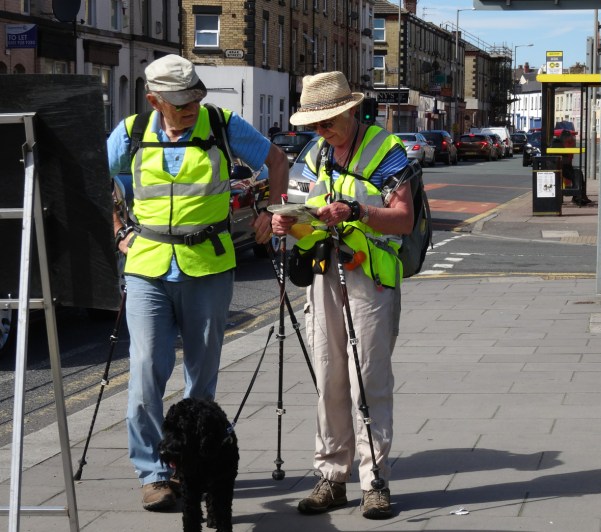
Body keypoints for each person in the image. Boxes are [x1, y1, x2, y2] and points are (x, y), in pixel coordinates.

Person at [106, 54, 288, 511]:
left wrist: (270, 210)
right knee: (147, 368)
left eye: (195, 98)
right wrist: (118, 229)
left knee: (201, 379)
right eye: (180, 102)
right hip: (148, 264)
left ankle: (192, 465)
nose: (191, 108)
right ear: (154, 100)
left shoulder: (223, 125)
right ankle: (152, 473)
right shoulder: (130, 134)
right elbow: (96, 181)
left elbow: (277, 161)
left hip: (208, 264)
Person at [271, 71, 413, 520]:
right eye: (315, 123)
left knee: (367, 381)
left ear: (351, 111)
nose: (321, 130)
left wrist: (356, 211)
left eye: (328, 121)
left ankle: (374, 482)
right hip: (323, 275)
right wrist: (286, 223)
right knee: (329, 377)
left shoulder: (386, 150)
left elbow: (404, 219)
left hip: (370, 280)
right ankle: (331, 477)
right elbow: (300, 216)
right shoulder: (313, 154)